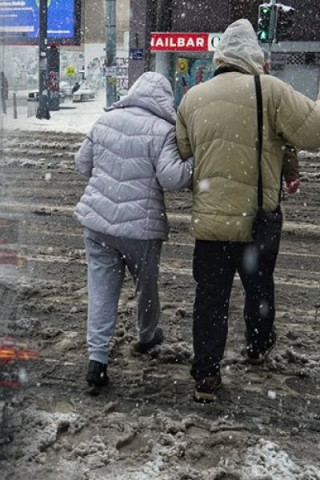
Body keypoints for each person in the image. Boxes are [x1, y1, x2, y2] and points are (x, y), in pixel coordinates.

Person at [175, 19, 320, 403]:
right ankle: (258, 344)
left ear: (220, 54)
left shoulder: (193, 97)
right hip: (256, 219)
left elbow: (184, 150)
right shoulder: (269, 90)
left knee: (209, 298)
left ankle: (206, 374)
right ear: (254, 55)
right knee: (259, 288)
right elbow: (314, 132)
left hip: (210, 222)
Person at [74, 72, 194, 393]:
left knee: (100, 291)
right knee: (146, 285)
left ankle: (96, 363)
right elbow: (171, 178)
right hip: (140, 231)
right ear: (165, 100)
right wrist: (194, 163)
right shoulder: (164, 130)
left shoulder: (106, 120)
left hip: (98, 225)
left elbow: (82, 163)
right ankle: (146, 336)